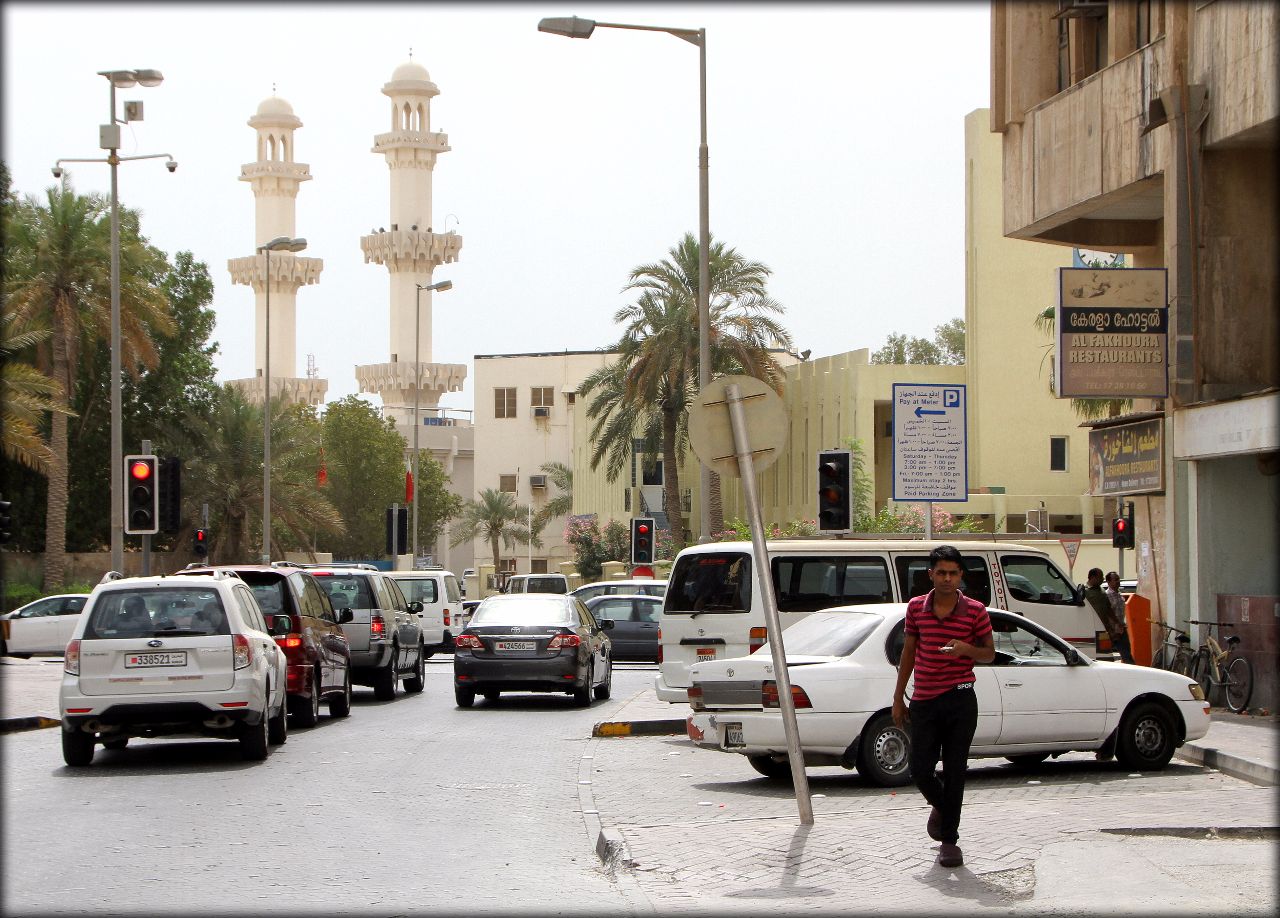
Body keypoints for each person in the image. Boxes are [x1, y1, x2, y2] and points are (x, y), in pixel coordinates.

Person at [892, 545, 994, 869]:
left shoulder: (976, 610)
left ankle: (949, 841)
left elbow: (990, 653)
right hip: (924, 700)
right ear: (930, 575)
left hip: (961, 698)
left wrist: (966, 648)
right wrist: (897, 698)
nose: (947, 579)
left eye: (953, 573)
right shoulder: (916, 608)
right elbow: (908, 652)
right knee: (920, 770)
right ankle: (942, 806)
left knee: (954, 770)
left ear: (961, 575)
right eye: (941, 573)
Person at [1083, 568, 1128, 660]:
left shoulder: (1102, 591)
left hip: (1106, 629)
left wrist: (1117, 622)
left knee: (1111, 654)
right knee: (1100, 655)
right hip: (1092, 629)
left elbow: (1108, 609)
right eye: (1100, 577)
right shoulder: (1084, 591)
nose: (1102, 579)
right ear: (1092, 577)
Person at [1103, 571, 1134, 663]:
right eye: (1115, 580)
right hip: (1111, 631)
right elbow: (1107, 613)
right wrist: (1111, 630)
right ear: (1108, 582)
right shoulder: (1106, 596)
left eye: (1118, 579)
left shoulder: (1119, 594)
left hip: (1121, 629)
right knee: (1107, 656)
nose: (1118, 582)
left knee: (1127, 654)